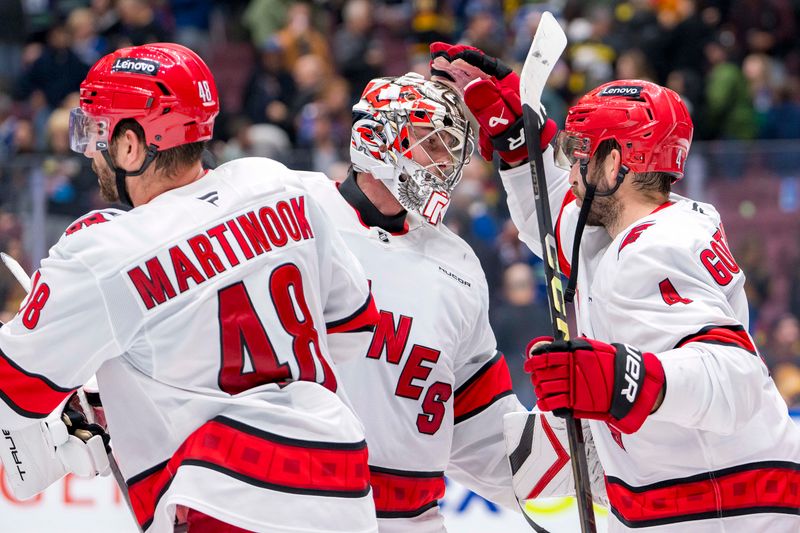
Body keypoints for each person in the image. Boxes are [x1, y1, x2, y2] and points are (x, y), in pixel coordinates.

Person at [0, 43, 381, 533]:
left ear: (132, 146)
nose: (93, 150)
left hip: (227, 504)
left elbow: (14, 389)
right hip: (344, 488)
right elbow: (353, 323)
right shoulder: (277, 183)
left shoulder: (103, 253)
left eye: (99, 132)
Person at [431, 44, 800, 532]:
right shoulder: (629, 230)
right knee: (493, 450)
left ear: (615, 164)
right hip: (684, 482)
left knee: (493, 450)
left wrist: (620, 380)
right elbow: (555, 222)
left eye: (581, 151)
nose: (573, 163)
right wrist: (521, 144)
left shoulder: (656, 248)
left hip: (723, 509)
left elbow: (733, 376)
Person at [296, 73, 532, 532]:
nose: (445, 164)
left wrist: (589, 461)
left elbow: (477, 423)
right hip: (298, 510)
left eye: (451, 150)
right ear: (374, 135)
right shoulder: (293, 210)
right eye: (431, 143)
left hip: (414, 519)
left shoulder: (457, 262)